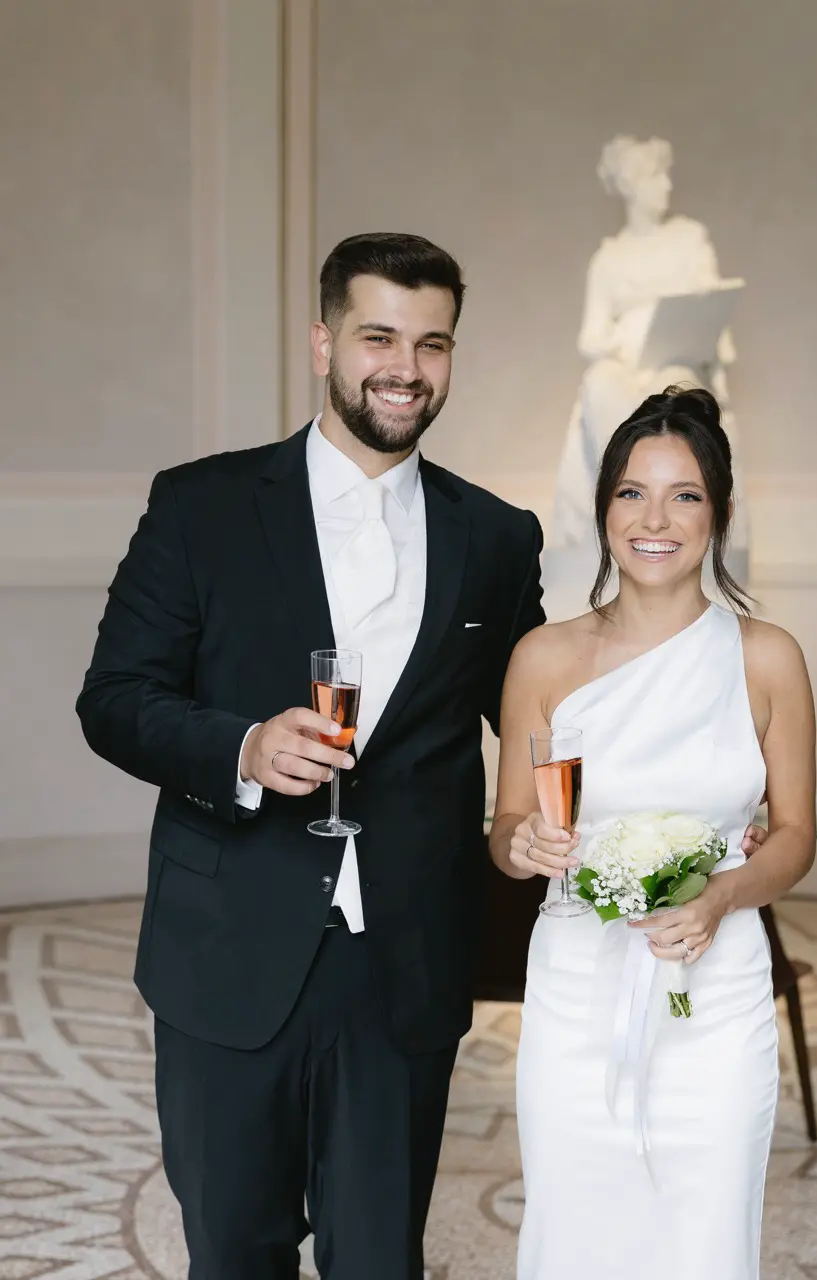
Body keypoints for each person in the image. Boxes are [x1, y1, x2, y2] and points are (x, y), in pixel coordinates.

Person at [76, 232, 549, 1279]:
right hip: (227, 947)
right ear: (322, 339)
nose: (405, 367)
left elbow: (542, 719)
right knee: (236, 1252)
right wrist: (238, 742)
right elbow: (113, 700)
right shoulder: (202, 505)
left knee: (381, 1259)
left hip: (405, 963)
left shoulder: (498, 537)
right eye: (380, 335)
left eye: (433, 344)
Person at [490, 385, 815, 1280]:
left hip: (714, 994)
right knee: (575, 1227)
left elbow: (792, 836)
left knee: (704, 1230)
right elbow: (508, 822)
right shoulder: (541, 658)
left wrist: (720, 897)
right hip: (574, 986)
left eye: (684, 495)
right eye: (631, 492)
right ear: (602, 509)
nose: (654, 519)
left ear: (718, 514)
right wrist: (519, 844)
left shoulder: (766, 657)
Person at [552, 135, 744, 549]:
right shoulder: (610, 258)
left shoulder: (689, 239)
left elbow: (710, 302)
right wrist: (621, 341)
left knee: (678, 392)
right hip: (625, 363)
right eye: (657, 179)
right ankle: (621, 500)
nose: (667, 188)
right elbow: (591, 335)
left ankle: (679, 507)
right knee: (600, 384)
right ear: (632, 186)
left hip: (677, 357)